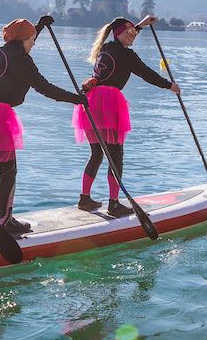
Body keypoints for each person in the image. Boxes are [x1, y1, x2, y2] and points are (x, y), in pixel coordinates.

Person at [0, 15, 85, 235]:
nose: (34, 43)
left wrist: (39, 26)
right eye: (33, 39)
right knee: (8, 169)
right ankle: (5, 220)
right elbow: (45, 88)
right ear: (25, 40)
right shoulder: (22, 60)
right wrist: (76, 99)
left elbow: (22, 39)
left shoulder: (1, 50)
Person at [74, 15, 179, 217]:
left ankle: (84, 199)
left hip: (91, 103)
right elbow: (147, 73)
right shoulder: (127, 56)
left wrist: (141, 25)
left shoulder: (105, 48)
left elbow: (124, 33)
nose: (132, 37)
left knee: (96, 153)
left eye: (134, 34)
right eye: (129, 34)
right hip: (109, 105)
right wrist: (169, 86)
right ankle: (114, 203)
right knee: (116, 156)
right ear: (118, 33)